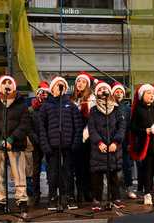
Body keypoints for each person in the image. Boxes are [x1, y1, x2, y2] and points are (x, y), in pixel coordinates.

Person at [0, 75, 30, 217]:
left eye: (9, 82)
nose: (6, 85)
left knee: (19, 173)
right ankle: (0, 201)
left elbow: (25, 124)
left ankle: (21, 200)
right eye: (4, 82)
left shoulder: (21, 104)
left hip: (15, 144)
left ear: (14, 86)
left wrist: (11, 138)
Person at [39, 76, 83, 209]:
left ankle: (69, 196)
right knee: (53, 173)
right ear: (52, 88)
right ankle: (53, 197)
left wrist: (75, 143)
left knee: (68, 173)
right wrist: (45, 145)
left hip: (68, 146)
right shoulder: (46, 106)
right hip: (52, 147)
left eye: (61, 84)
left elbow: (78, 126)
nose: (59, 86)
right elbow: (42, 127)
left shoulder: (71, 105)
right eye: (57, 84)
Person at [88, 80, 126, 207]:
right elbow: (91, 129)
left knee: (114, 175)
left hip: (113, 147)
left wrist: (115, 142)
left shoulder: (116, 109)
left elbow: (121, 127)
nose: (102, 91)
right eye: (100, 89)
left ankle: (115, 198)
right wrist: (99, 142)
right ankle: (97, 199)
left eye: (105, 89)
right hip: (99, 148)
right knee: (97, 176)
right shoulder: (93, 110)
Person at [130, 84, 154, 205]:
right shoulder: (138, 109)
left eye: (152, 93)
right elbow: (133, 127)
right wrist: (145, 131)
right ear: (142, 95)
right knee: (147, 170)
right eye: (148, 93)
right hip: (146, 145)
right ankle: (147, 193)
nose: (151, 96)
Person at [70, 71, 96, 203]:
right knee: (77, 167)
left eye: (83, 82)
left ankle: (89, 192)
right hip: (74, 137)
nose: (80, 84)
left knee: (88, 166)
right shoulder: (72, 99)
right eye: (78, 81)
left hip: (87, 137)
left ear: (87, 85)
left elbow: (93, 119)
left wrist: (86, 133)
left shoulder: (92, 99)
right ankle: (79, 192)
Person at [111, 81, 136, 199]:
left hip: (124, 142)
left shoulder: (127, 109)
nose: (119, 94)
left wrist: (130, 142)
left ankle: (129, 187)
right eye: (117, 91)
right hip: (112, 141)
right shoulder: (109, 106)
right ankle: (115, 189)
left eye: (121, 92)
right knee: (113, 167)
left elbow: (130, 127)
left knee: (126, 165)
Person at [28, 81, 50, 206]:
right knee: (35, 170)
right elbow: (29, 128)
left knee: (51, 167)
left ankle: (52, 193)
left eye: (46, 93)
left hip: (49, 142)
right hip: (36, 143)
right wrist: (35, 139)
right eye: (41, 93)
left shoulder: (51, 107)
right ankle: (36, 194)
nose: (43, 95)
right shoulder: (31, 110)